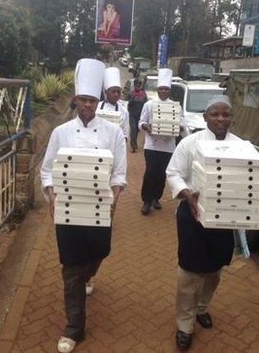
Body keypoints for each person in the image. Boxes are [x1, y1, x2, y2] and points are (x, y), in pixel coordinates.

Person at [40, 58, 127, 353]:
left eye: (92, 99)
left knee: (100, 252)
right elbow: (47, 170)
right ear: (75, 100)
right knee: (71, 269)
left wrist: (115, 199)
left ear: (98, 100)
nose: (87, 104)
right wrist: (51, 195)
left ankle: (88, 276)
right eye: (82, 100)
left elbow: (119, 173)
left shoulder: (113, 133)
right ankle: (74, 328)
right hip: (67, 211)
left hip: (100, 209)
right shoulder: (61, 132)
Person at [166, 95, 240, 351]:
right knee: (189, 272)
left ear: (232, 117)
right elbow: (173, 172)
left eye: (225, 114)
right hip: (192, 216)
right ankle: (185, 323)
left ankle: (202, 307)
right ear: (206, 116)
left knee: (214, 269)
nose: (220, 119)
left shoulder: (241, 147)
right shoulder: (190, 143)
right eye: (215, 114)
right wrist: (187, 194)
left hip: (223, 219)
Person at [139, 68, 184, 216]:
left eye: (166, 89)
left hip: (168, 146)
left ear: (169, 91)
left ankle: (156, 198)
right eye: (161, 89)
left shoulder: (176, 106)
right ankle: (146, 200)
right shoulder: (149, 105)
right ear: (157, 90)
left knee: (161, 173)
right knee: (150, 171)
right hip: (151, 145)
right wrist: (146, 127)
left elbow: (183, 123)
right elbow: (141, 122)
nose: (164, 91)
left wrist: (179, 127)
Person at [98, 67, 129, 140]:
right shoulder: (97, 107)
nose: (116, 94)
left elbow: (125, 132)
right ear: (106, 92)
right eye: (113, 91)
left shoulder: (124, 111)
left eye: (118, 91)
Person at [127, 79, 147, 152]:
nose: (137, 87)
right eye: (136, 85)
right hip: (132, 115)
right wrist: (133, 98)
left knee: (137, 130)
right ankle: (133, 146)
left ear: (141, 86)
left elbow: (146, 104)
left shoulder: (144, 94)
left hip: (140, 115)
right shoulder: (130, 94)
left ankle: (134, 142)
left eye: (139, 85)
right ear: (134, 86)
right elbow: (128, 104)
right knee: (133, 129)